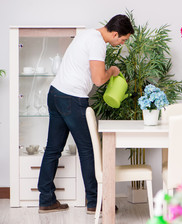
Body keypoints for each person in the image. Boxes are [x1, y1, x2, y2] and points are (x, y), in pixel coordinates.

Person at [37, 14, 134, 213]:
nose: (121, 44)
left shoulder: (87, 34)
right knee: (89, 149)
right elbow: (98, 79)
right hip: (72, 99)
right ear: (115, 34)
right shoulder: (98, 43)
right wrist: (113, 71)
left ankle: (46, 199)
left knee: (53, 149)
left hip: (55, 94)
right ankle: (94, 202)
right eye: (122, 40)